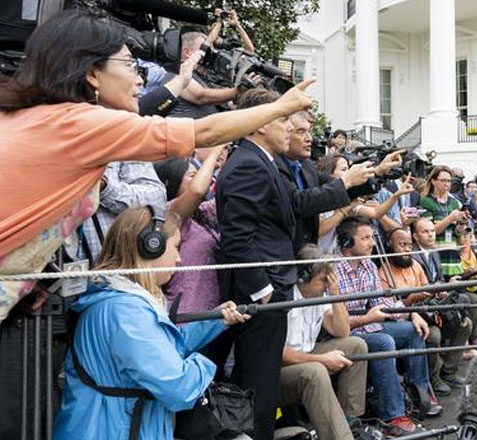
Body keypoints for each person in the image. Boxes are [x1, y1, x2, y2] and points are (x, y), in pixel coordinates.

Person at [0, 10, 315, 322]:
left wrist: (36, 273)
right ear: (92, 73)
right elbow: (204, 132)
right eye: (129, 64)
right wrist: (280, 107)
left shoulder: (42, 117)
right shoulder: (81, 123)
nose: (138, 77)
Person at [53, 206, 249, 440]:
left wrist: (215, 319)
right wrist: (204, 364)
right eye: (176, 247)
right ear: (150, 247)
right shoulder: (126, 311)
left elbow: (160, 349)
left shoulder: (120, 300)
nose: (179, 258)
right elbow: (179, 387)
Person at [213, 88, 306, 440]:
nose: (290, 127)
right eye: (283, 118)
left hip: (269, 290)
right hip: (259, 295)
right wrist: (263, 289)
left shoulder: (263, 161)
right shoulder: (249, 163)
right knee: (257, 385)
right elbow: (237, 237)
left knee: (261, 383)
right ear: (260, 124)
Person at [336, 217, 437, 437]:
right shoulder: (334, 270)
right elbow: (335, 323)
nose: (372, 243)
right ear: (346, 242)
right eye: (365, 238)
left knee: (413, 331)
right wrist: (365, 319)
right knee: (384, 341)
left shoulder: (369, 265)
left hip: (369, 325)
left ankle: (419, 393)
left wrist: (413, 314)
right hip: (346, 332)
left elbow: (384, 303)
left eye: (372, 237)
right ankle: (391, 416)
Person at [279, 245, 368, 440]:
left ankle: (348, 420)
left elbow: (342, 330)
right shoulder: (285, 298)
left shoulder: (321, 295)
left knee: (356, 345)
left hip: (306, 355)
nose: (326, 285)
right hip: (279, 371)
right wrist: (322, 359)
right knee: (315, 371)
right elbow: (280, 354)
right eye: (323, 280)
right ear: (303, 277)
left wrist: (336, 295)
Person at [279, 111, 401, 252]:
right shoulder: (275, 165)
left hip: (308, 257)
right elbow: (300, 203)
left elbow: (340, 187)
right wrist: (345, 182)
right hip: (286, 255)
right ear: (285, 133)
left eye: (309, 132)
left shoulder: (306, 165)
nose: (309, 139)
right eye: (301, 132)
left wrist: (378, 172)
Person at [379, 227, 471, 396]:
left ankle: (448, 372)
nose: (407, 249)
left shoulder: (415, 264)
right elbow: (390, 306)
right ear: (389, 246)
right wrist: (412, 298)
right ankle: (432, 379)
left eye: (409, 245)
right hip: (406, 318)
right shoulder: (383, 271)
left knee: (465, 323)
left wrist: (440, 290)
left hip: (429, 311)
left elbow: (427, 289)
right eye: (402, 245)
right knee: (433, 335)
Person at [153, 146, 226, 315]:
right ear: (170, 182)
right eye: (193, 175)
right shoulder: (168, 215)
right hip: (187, 318)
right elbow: (197, 191)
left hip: (214, 317)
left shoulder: (200, 213)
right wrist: (214, 153)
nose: (200, 179)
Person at [314, 154, 413, 254]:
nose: (349, 173)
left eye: (349, 169)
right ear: (328, 174)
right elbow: (319, 230)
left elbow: (376, 213)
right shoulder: (318, 197)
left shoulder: (347, 197)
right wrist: (345, 210)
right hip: (315, 256)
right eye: (344, 170)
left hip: (333, 256)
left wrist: (397, 195)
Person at [418, 166, 470, 280]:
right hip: (436, 254)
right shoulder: (426, 201)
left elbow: (457, 233)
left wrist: (462, 223)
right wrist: (450, 218)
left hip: (453, 256)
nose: (447, 184)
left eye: (449, 181)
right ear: (433, 181)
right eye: (443, 180)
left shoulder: (455, 203)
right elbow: (430, 231)